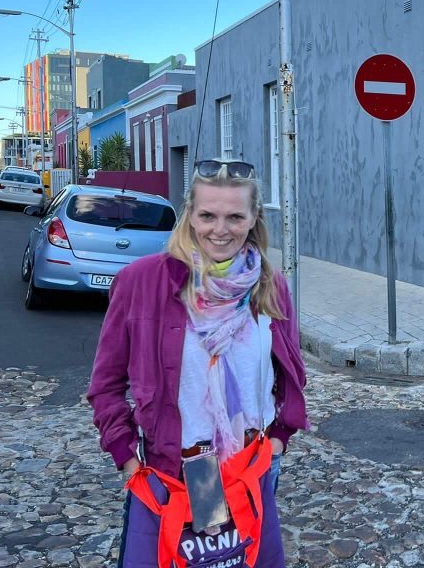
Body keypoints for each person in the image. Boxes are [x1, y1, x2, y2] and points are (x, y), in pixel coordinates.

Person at [88, 159, 308, 568]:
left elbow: (290, 373)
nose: (220, 230)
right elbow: (105, 383)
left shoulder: (270, 285)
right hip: (175, 473)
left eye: (234, 217)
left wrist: (279, 438)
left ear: (253, 218)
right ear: (189, 213)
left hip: (250, 468)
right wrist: (126, 458)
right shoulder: (141, 282)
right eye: (207, 215)